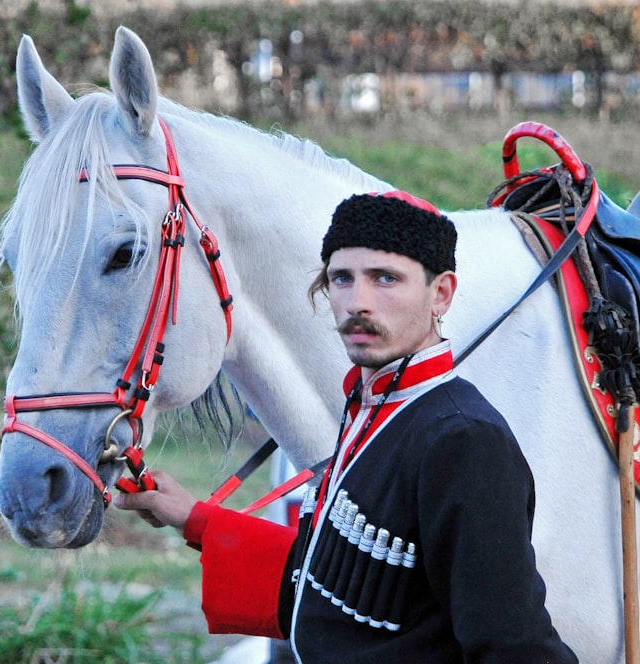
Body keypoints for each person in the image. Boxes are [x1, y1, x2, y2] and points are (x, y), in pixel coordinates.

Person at [115, 190, 577, 663]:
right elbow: (341, 580)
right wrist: (193, 517)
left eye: (385, 279)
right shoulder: (370, 408)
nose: (358, 302)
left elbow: (514, 647)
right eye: (342, 278)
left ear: (441, 294)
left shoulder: (464, 440)